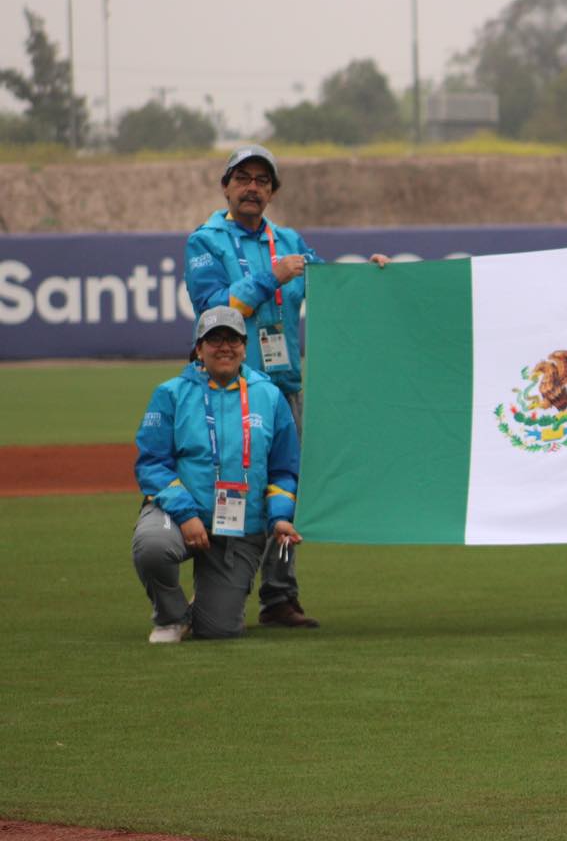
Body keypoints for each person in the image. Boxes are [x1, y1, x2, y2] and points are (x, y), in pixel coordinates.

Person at [184, 144, 388, 628]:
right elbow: (216, 312)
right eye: (243, 178)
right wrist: (268, 277)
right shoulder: (205, 242)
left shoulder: (288, 240)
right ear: (226, 186)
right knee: (226, 485)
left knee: (285, 490)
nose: (253, 187)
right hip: (228, 390)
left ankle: (278, 596)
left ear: (272, 191)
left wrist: (373, 275)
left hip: (283, 389)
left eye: (262, 180)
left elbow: (333, 286)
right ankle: (213, 586)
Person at [132, 306, 301, 642]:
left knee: (219, 630)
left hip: (238, 528)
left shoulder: (269, 396)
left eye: (233, 339)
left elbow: (283, 470)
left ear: (244, 345)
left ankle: (205, 606)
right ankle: (171, 616)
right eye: (214, 339)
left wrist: (279, 518)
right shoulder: (171, 394)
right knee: (152, 546)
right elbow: (152, 463)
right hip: (179, 515)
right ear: (199, 348)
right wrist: (185, 513)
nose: (225, 347)